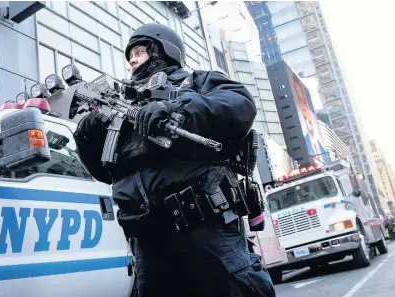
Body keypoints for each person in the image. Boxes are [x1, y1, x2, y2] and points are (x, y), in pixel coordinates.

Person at [73, 23, 275, 297]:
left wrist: (175, 108)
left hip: (204, 227)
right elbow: (104, 173)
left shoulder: (196, 81)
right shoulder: (121, 105)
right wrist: (86, 135)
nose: (132, 59)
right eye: (130, 55)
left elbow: (241, 105)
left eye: (140, 51)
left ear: (162, 51)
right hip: (147, 238)